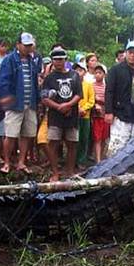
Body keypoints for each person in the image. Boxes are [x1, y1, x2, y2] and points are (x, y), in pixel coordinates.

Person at [0, 32, 41, 174]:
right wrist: (7, 99)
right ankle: (7, 162)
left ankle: (21, 162)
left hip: (30, 102)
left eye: (30, 45)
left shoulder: (32, 61)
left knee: (27, 134)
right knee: (10, 135)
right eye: (25, 45)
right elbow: (3, 82)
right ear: (18, 45)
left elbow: (35, 82)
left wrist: (38, 100)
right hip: (15, 104)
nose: (28, 48)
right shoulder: (9, 60)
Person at [42, 48, 82, 181]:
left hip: (72, 115)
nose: (58, 62)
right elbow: (44, 98)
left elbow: (78, 94)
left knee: (72, 143)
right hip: (55, 116)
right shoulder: (49, 78)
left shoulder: (75, 75)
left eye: (61, 59)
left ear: (65, 60)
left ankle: (69, 172)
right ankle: (55, 172)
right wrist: (58, 107)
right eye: (56, 60)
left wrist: (68, 104)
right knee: (53, 143)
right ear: (52, 61)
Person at [105, 41, 134, 157]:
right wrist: (108, 111)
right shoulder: (116, 70)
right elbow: (109, 91)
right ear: (126, 53)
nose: (132, 55)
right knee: (117, 147)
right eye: (130, 52)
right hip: (120, 114)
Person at [73, 61, 95, 168]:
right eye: (76, 70)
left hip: (85, 115)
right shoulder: (71, 83)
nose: (78, 72)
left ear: (85, 72)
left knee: (84, 138)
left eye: (80, 70)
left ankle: (81, 159)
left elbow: (91, 100)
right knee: (73, 138)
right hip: (73, 114)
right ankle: (72, 160)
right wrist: (77, 108)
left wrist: (83, 108)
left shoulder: (88, 85)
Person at [91, 65, 109, 163]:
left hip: (105, 115)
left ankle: (101, 158)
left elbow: (109, 99)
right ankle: (97, 160)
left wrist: (99, 100)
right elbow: (91, 99)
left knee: (104, 138)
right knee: (97, 138)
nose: (98, 75)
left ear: (104, 74)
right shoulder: (92, 86)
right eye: (96, 73)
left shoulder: (107, 87)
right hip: (96, 116)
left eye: (100, 73)